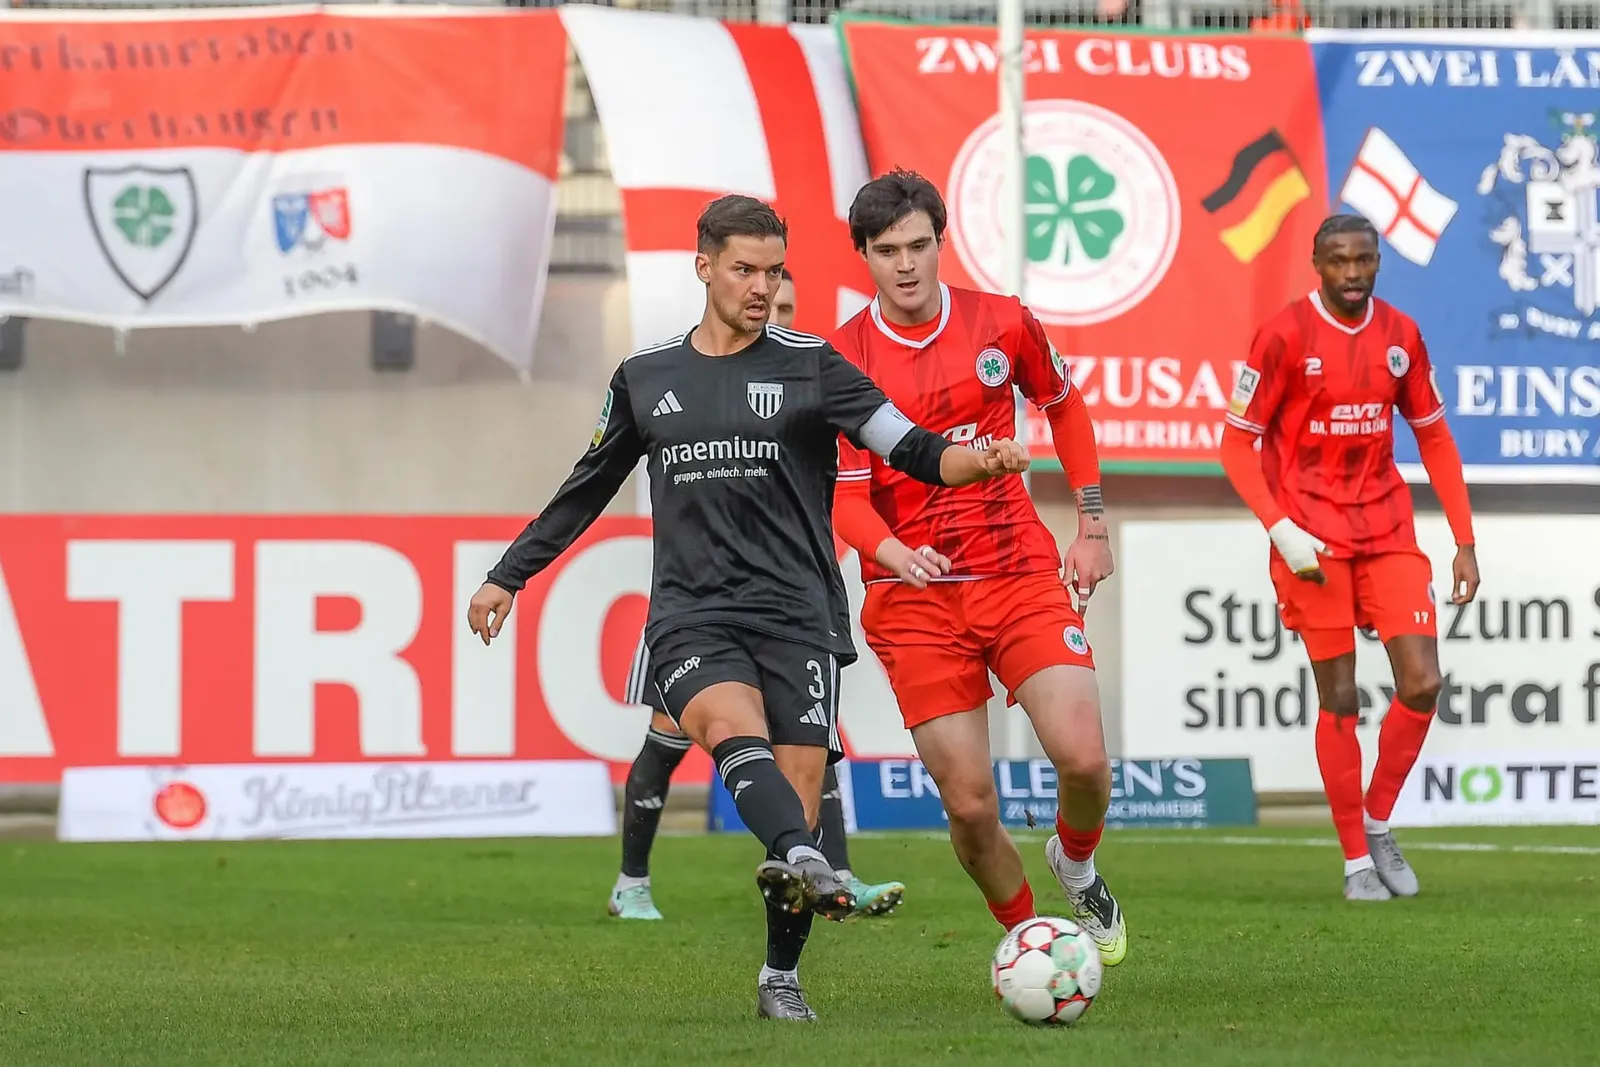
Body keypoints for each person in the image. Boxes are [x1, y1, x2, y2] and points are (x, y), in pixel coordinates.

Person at [468, 194, 1030, 1020]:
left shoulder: (813, 365)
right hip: (692, 616)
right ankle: (807, 856)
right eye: (744, 270)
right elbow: (585, 488)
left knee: (794, 791)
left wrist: (974, 462)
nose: (762, 287)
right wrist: (507, 575)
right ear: (704, 268)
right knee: (733, 730)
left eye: (773, 271)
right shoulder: (646, 377)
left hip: (798, 614)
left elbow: (908, 446)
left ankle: (779, 974)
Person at [827, 169, 1127, 966]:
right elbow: (846, 500)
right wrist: (895, 553)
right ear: (864, 255)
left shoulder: (1002, 322)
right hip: (913, 595)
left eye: (918, 245)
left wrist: (1091, 523)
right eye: (887, 250)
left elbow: (1064, 404)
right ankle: (1033, 942)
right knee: (968, 804)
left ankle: (1076, 863)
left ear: (941, 240)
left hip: (1015, 569)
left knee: (1085, 759)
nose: (906, 264)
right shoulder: (843, 359)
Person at [609, 265, 907, 924]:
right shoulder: (686, 378)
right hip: (696, 604)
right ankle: (632, 880)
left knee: (812, 737)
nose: (775, 308)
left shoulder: (804, 384)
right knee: (666, 739)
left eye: (789, 303)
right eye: (767, 293)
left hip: (782, 605)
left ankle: (832, 872)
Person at [1219, 213, 1480, 901]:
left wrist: (1464, 540)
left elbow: (1434, 436)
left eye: (1364, 259)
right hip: (1311, 541)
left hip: (1387, 530)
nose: (1353, 272)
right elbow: (1235, 444)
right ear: (1317, 264)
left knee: (1422, 682)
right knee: (1339, 697)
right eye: (1339, 260)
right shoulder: (1282, 336)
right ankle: (1356, 860)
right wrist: (1280, 527)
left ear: (1378, 262)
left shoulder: (1401, 335)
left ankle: (1378, 820)